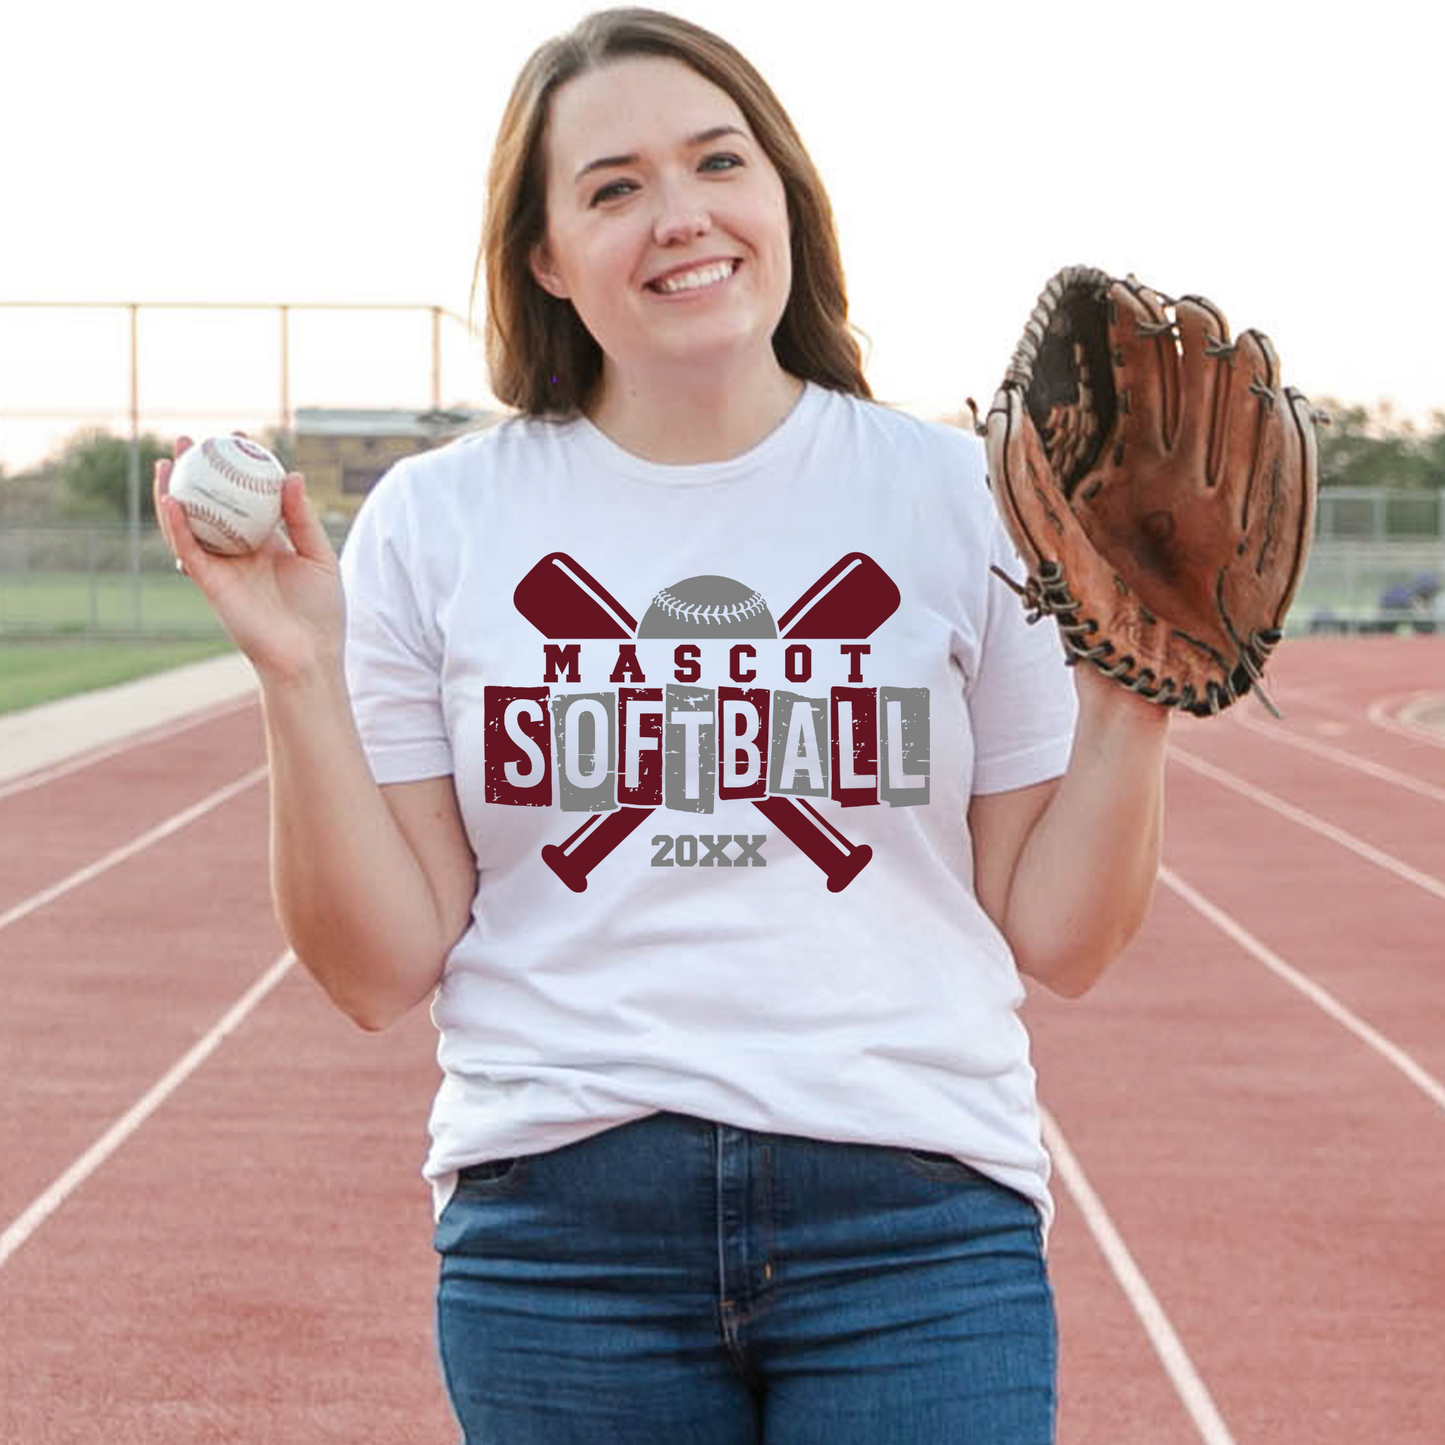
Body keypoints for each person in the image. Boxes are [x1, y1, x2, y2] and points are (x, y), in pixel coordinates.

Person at [155, 9, 1169, 1442]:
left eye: (716, 161)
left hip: (916, 1223)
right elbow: (380, 968)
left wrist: (1134, 707)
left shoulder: (964, 500)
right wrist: (297, 677)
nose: (680, 216)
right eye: (614, 186)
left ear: (786, 200)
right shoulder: (442, 525)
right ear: (547, 258)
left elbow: (1061, 938)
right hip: (562, 1232)